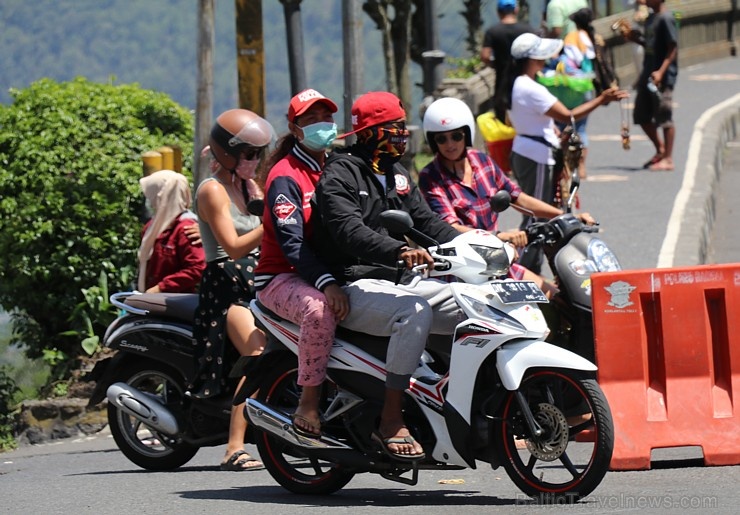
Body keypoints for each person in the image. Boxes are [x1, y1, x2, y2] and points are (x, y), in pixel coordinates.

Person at [314, 91, 462, 461]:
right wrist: (398, 251)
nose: (401, 134)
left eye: (401, 127)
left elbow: (427, 223)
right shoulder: (340, 172)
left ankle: (460, 404)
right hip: (353, 282)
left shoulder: (396, 174)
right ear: (368, 133)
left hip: (397, 281)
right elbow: (348, 230)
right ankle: (391, 418)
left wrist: (475, 244)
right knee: (415, 312)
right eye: (391, 128)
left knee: (468, 306)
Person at [418, 96, 594, 296]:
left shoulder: (482, 161)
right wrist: (499, 237)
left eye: (456, 136)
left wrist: (564, 217)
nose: (450, 144)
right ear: (433, 141)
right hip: (462, 270)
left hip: (497, 259)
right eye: (442, 138)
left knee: (554, 297)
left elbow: (516, 196)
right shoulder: (430, 177)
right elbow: (450, 226)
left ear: (466, 134)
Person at [254, 89, 349, 439]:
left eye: (326, 118)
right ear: (295, 130)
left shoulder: (337, 166)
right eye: (311, 120)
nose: (322, 125)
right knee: (320, 311)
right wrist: (326, 282)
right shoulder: (285, 176)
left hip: (325, 272)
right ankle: (308, 402)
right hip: (280, 278)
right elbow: (291, 244)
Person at [192, 108, 274, 471]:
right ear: (227, 153)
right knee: (257, 353)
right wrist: (272, 219)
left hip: (257, 280)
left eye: (259, 155)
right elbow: (235, 245)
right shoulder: (212, 191)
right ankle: (234, 447)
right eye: (249, 154)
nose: (254, 162)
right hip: (227, 287)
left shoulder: (249, 187)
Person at [505, 33, 628, 271]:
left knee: (539, 215)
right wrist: (602, 99)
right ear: (531, 59)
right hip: (536, 156)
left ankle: (533, 270)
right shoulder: (529, 87)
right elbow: (568, 114)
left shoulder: (517, 83)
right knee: (536, 218)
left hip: (528, 150)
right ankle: (526, 272)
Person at [624, 0, 678, 171]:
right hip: (647, 72)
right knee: (641, 115)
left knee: (664, 114)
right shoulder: (651, 18)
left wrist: (661, 72)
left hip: (661, 76)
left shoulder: (666, 18)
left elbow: (672, 47)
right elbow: (650, 46)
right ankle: (660, 150)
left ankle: (668, 159)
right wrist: (636, 38)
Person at [137, 169, 205, 293]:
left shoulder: (187, 228)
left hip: (173, 304)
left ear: (162, 196)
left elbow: (197, 268)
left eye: (151, 195)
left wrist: (161, 288)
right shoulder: (152, 227)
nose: (149, 201)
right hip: (150, 300)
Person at [480, 0, 535, 121]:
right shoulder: (528, 30)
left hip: (502, 86)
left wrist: (495, 64)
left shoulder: (493, 31)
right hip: (526, 84)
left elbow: (485, 55)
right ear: (516, 10)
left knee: (503, 122)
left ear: (498, 12)